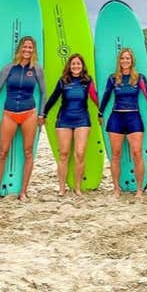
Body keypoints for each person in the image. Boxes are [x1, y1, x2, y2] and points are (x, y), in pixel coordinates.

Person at [0, 36, 46, 203]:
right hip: (9, 113)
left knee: (28, 152)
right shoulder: (8, 68)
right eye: (25, 47)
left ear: (34, 50)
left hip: (29, 113)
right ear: (19, 49)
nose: (27, 50)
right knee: (2, 152)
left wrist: (41, 114)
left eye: (30, 47)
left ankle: (23, 192)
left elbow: (44, 92)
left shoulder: (37, 69)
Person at [98, 47, 147, 199]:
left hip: (133, 118)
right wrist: (100, 112)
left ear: (132, 61)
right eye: (122, 58)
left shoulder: (139, 78)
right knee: (115, 155)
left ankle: (139, 189)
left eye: (127, 58)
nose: (125, 61)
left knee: (137, 154)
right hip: (116, 118)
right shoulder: (113, 78)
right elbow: (106, 95)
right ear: (119, 61)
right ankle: (116, 188)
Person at [39, 53, 98, 197]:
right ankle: (61, 188)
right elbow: (53, 97)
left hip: (82, 120)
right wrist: (43, 113)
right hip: (64, 119)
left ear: (82, 66)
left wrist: (103, 111)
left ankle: (77, 187)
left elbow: (95, 97)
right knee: (64, 154)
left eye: (78, 63)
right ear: (69, 66)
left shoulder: (87, 81)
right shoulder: (63, 80)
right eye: (73, 64)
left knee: (80, 153)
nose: (76, 66)